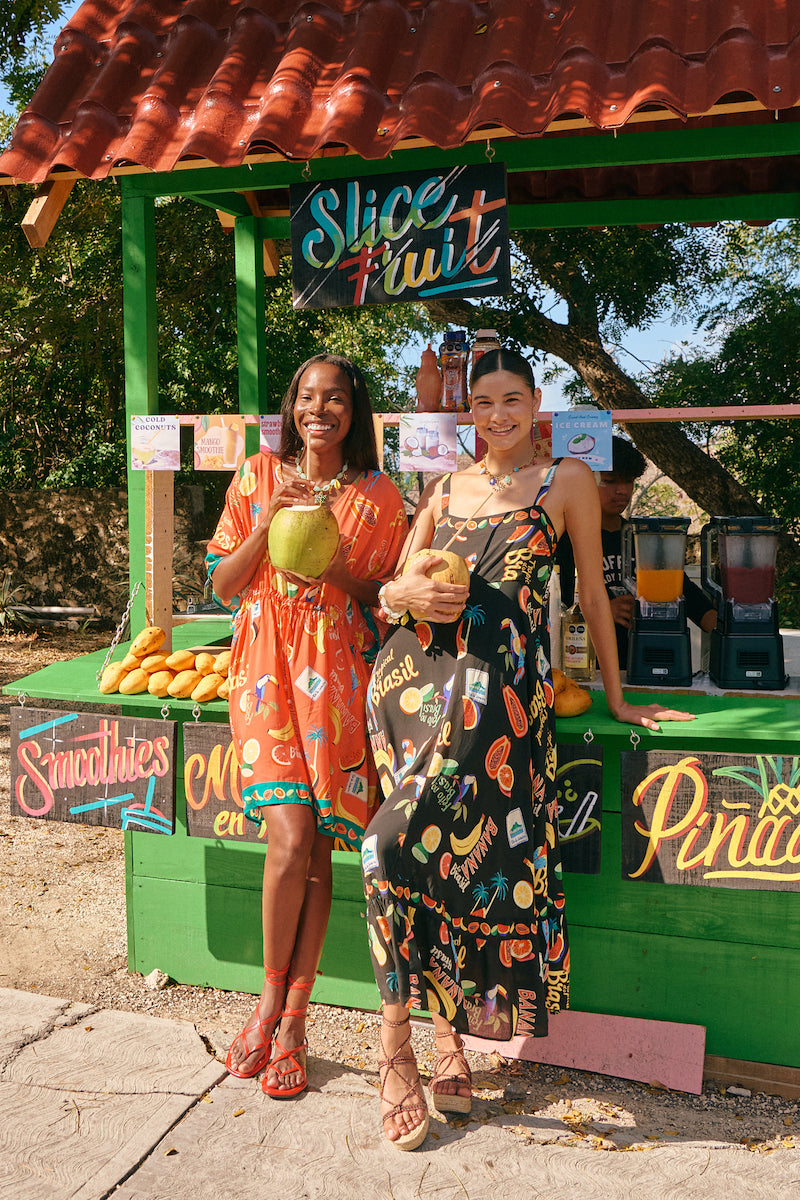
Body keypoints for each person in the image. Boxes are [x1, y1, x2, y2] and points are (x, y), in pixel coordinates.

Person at [363, 348, 694, 1150]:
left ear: (536, 404)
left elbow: (588, 596)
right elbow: (392, 593)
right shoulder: (443, 489)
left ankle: (429, 1040)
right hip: (408, 692)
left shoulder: (565, 482)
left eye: (512, 400)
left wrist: (615, 696)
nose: (497, 415)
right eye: (482, 402)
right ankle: (412, 1048)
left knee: (424, 859)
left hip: (498, 708)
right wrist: (396, 592)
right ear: (468, 410)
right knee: (400, 854)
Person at [206, 353, 407, 1099]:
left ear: (355, 413)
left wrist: (337, 566)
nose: (319, 410)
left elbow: (386, 602)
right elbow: (226, 584)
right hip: (263, 667)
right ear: (291, 407)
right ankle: (265, 1004)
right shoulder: (258, 475)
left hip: (339, 674)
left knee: (320, 849)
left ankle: (294, 1019)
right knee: (289, 834)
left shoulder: (381, 498)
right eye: (307, 397)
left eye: (336, 399)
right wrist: (267, 525)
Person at [556, 436, 716, 666]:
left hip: (647, 665)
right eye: (610, 481)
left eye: (628, 481)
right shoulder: (561, 542)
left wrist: (730, 630)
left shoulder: (643, 539)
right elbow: (550, 610)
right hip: (584, 671)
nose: (621, 490)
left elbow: (686, 595)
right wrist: (597, 613)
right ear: (585, 480)